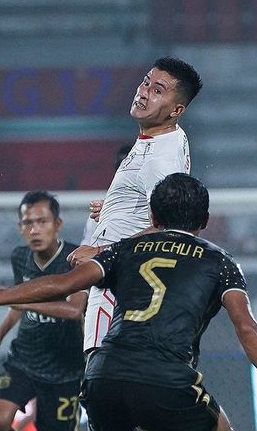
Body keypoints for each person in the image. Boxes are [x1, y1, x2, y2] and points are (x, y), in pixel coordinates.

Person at [0, 173, 257, 431]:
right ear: (204, 221)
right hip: (166, 377)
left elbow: (62, 284)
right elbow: (246, 326)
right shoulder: (219, 261)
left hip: (102, 376)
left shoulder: (124, 249)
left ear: (153, 218)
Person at [70, 57, 202, 354]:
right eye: (145, 82)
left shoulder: (159, 158)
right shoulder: (166, 137)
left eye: (158, 91)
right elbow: (158, 204)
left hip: (121, 283)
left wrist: (100, 252)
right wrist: (116, 206)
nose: (143, 92)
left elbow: (173, 228)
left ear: (177, 109)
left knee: (101, 382)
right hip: (130, 280)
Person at [0, 191, 87, 431]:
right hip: (24, 359)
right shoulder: (20, 257)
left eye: (42, 222)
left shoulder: (75, 259)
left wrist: (21, 302)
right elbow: (17, 304)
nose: (35, 229)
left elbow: (74, 310)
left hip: (64, 369)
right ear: (20, 227)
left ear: (57, 224)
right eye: (28, 223)